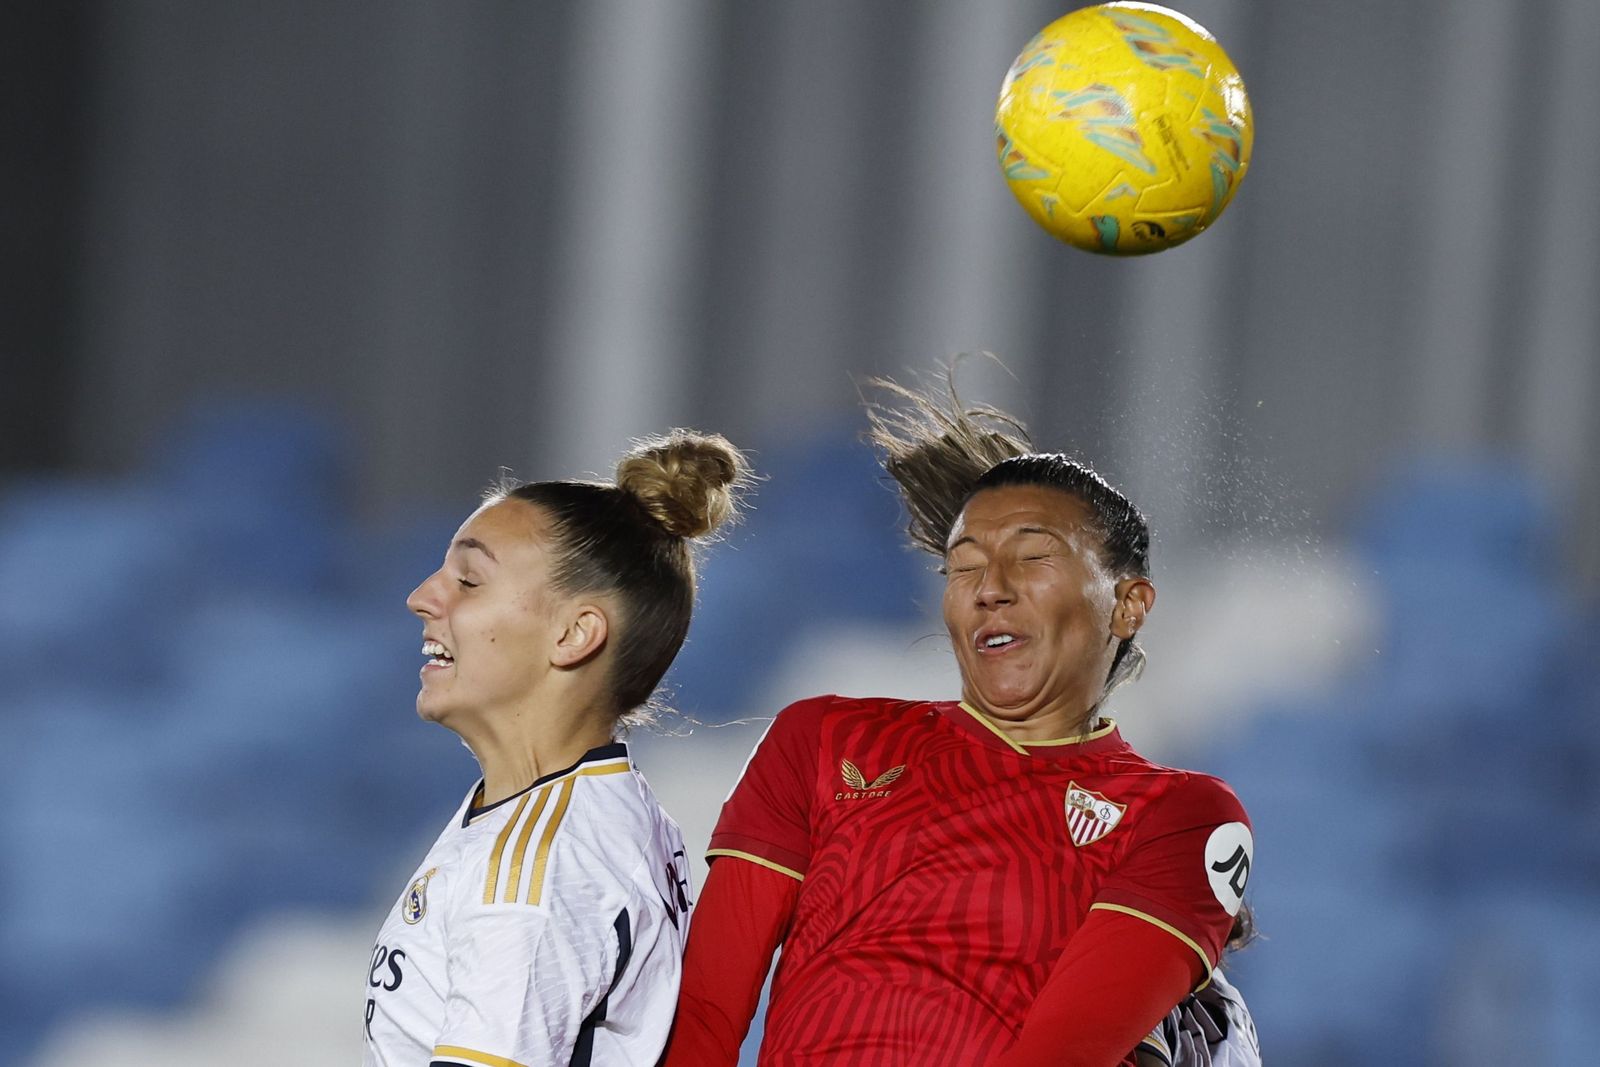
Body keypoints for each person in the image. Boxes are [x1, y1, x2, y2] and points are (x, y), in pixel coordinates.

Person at [665, 377, 1258, 1067]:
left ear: (1128, 604)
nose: (989, 588)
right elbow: (706, 1011)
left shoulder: (1181, 814)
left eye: (1033, 560)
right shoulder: (823, 739)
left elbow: (1058, 1052)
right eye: (964, 565)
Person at [363, 430, 750, 1067]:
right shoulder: (569, 814)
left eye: (467, 579)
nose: (422, 597)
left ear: (574, 635)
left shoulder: (534, 874)